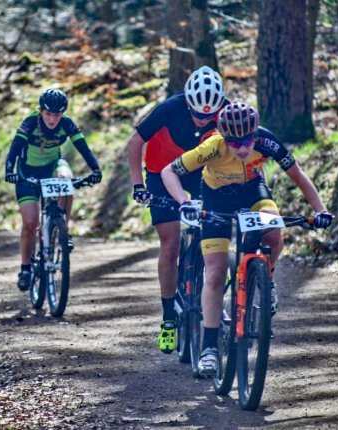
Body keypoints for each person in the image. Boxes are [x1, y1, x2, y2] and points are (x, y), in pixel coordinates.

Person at [160, 101, 333, 377]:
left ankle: (264, 278)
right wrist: (184, 201)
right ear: (223, 137)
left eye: (248, 139)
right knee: (215, 274)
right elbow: (168, 171)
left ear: (256, 132)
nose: (242, 147)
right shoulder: (212, 147)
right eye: (234, 142)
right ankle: (209, 349)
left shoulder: (266, 141)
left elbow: (297, 176)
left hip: (254, 192)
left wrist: (320, 210)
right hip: (216, 198)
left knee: (274, 235)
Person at [126, 66, 229, 354]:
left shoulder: (227, 111)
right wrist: (138, 185)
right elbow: (135, 142)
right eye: (197, 114)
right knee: (170, 244)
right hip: (160, 174)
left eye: (208, 116)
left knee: (212, 240)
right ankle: (169, 318)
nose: (202, 119)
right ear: (187, 103)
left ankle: (210, 296)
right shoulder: (171, 107)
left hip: (199, 173)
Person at [5, 88, 102, 291]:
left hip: (52, 168)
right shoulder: (31, 122)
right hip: (26, 172)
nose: (52, 119)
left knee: (66, 180)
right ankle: (25, 268)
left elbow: (83, 147)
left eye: (56, 115)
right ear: (41, 111)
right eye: (48, 114)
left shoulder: (66, 124)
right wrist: (9, 171)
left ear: (62, 114)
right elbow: (15, 147)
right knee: (31, 222)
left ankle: (63, 229)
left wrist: (95, 169)